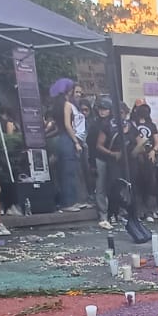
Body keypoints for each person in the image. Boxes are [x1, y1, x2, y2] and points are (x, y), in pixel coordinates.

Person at [48, 77, 88, 211]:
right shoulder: (66, 105)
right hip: (67, 139)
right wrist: (76, 141)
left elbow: (58, 127)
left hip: (61, 139)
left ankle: (70, 200)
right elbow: (67, 125)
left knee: (66, 171)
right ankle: (68, 202)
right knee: (68, 171)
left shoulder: (58, 105)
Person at [87, 98, 115, 229]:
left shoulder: (115, 123)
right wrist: (92, 163)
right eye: (101, 109)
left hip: (114, 159)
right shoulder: (94, 124)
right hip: (99, 158)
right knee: (100, 187)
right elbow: (91, 145)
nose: (103, 111)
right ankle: (103, 215)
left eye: (105, 109)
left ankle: (114, 213)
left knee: (114, 186)